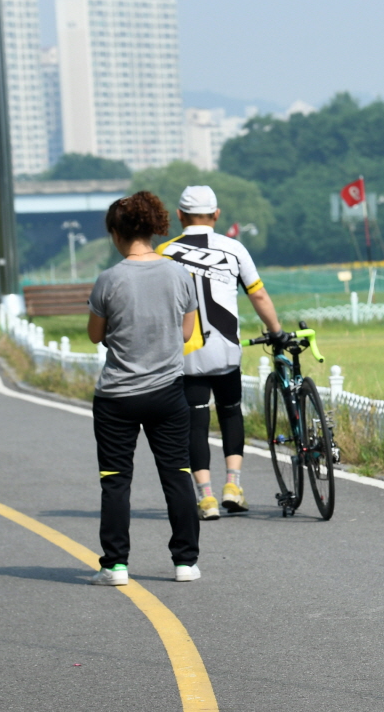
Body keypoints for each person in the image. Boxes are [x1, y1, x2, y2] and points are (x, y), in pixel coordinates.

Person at [86, 191, 202, 586]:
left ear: (116, 233)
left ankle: (115, 565)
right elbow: (186, 331)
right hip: (168, 391)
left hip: (117, 397)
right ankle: (185, 562)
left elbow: (95, 335)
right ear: (154, 228)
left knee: (115, 480)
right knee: (177, 474)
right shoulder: (179, 275)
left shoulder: (109, 279)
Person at [159, 184, 283, 519]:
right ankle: (233, 486)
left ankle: (206, 498)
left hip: (186, 353)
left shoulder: (164, 253)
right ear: (216, 214)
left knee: (195, 421)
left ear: (179, 215)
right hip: (226, 350)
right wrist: (276, 331)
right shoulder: (234, 248)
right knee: (230, 412)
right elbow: (258, 295)